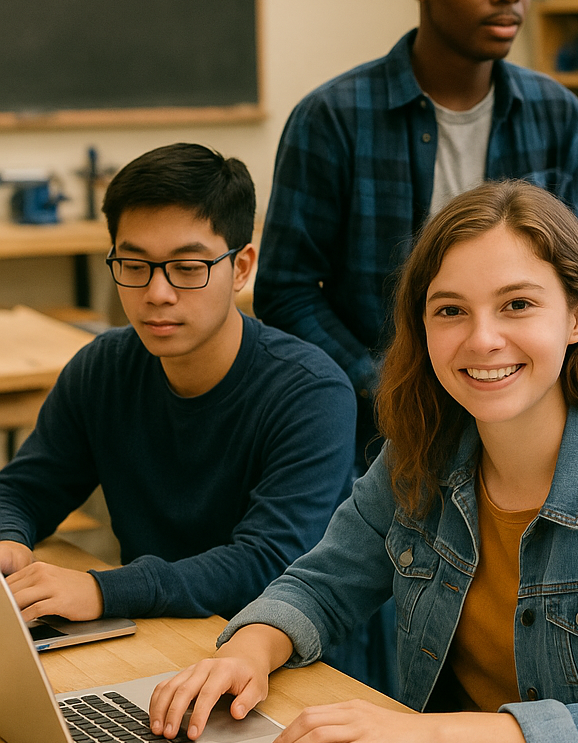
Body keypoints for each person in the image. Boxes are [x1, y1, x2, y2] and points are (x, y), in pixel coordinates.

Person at [148, 180, 578, 743]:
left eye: (517, 304)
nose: (483, 339)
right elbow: (322, 585)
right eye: (451, 311)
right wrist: (249, 651)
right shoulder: (420, 454)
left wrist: (422, 736)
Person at [253, 0, 578, 468]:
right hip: (380, 438)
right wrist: (393, 388)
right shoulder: (333, 119)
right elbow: (287, 293)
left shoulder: (557, 115)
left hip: (529, 426)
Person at [0, 143, 357, 623]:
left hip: (287, 649)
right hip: (157, 633)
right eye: (134, 266)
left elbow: (268, 562)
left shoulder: (312, 394)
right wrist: (9, 540)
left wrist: (104, 590)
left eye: (188, 268)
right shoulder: (103, 368)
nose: (157, 293)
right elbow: (23, 491)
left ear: (241, 268)